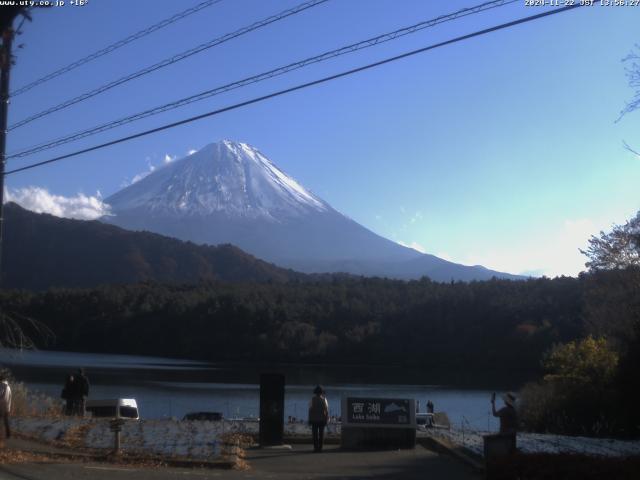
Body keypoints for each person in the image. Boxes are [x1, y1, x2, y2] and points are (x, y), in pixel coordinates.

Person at [308, 385, 329, 452]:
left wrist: (309, 419)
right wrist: (326, 419)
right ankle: (320, 448)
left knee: (314, 434)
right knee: (321, 434)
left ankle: (315, 448)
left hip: (314, 419)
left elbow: (310, 410)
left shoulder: (312, 399)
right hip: (322, 419)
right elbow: (326, 410)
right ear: (321, 392)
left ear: (315, 392)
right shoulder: (324, 400)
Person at [0, 374, 11, 440]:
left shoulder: (2, 386)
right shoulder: (8, 387)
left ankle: (6, 435)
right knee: (6, 421)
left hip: (1, 407)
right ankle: (8, 435)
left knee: (4, 421)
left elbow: (2, 397)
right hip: (7, 407)